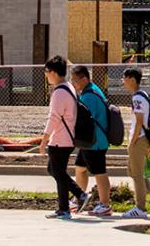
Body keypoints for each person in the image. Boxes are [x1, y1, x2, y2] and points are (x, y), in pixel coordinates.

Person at [40, 56, 88, 220]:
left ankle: (74, 199)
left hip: (60, 139)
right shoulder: (68, 87)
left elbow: (54, 117)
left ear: (53, 72)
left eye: (46, 72)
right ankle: (69, 203)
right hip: (67, 138)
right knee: (55, 170)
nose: (46, 75)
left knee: (58, 172)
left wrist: (44, 139)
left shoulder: (60, 92)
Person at [121, 67, 150, 219]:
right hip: (142, 139)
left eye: (125, 78)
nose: (123, 82)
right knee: (132, 172)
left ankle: (140, 208)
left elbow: (139, 122)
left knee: (137, 174)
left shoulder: (137, 98)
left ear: (132, 79)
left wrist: (132, 141)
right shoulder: (143, 95)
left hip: (139, 139)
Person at [69, 65, 112, 216]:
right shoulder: (92, 90)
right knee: (80, 168)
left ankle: (105, 205)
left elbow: (82, 119)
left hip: (95, 142)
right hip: (90, 142)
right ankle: (77, 200)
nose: (73, 83)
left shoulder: (88, 96)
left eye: (75, 80)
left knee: (99, 172)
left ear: (84, 79)